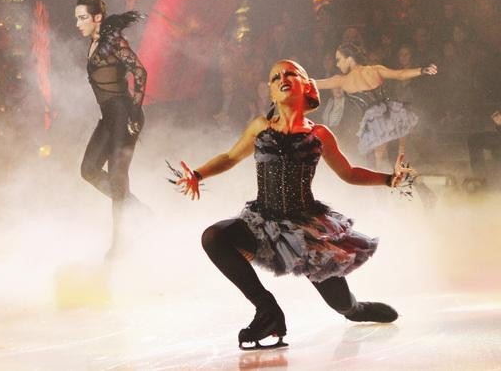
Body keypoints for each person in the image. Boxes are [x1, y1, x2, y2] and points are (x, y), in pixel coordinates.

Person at [172, 60, 414, 350]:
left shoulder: (319, 134)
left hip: (305, 232)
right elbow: (230, 157)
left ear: (307, 86)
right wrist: (198, 174)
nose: (282, 78)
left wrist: (390, 179)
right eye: (275, 77)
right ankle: (267, 310)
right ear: (272, 92)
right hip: (260, 223)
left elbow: (348, 173)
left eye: (290, 73)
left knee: (340, 303)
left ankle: (355, 310)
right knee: (214, 236)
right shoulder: (260, 127)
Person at [63, 0, 147, 258]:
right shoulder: (96, 38)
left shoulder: (112, 42)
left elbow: (140, 71)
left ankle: (120, 243)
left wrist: (135, 111)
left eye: (82, 18)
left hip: (124, 115)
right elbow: (88, 1)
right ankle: (137, 210)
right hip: (108, 117)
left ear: (97, 19)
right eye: (77, 17)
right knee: (88, 170)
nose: (77, 23)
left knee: (117, 178)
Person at [315, 42, 437, 170]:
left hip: (374, 125)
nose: (337, 64)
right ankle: (403, 184)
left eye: (339, 59)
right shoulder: (375, 69)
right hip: (391, 117)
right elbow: (400, 74)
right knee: (391, 161)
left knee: (378, 163)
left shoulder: (342, 80)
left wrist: (294, 78)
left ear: (349, 59)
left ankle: (383, 185)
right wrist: (422, 70)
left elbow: (316, 83)